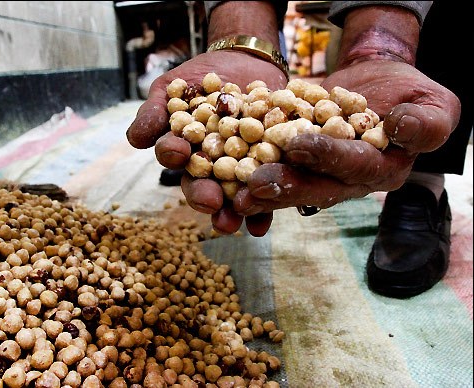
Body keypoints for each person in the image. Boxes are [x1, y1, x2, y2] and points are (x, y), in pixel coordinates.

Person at [125, 1, 471, 299]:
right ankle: (198, 148)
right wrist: (242, 32)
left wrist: (379, 45)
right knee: (213, 163)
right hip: (227, 136)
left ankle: (422, 178)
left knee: (409, 114)